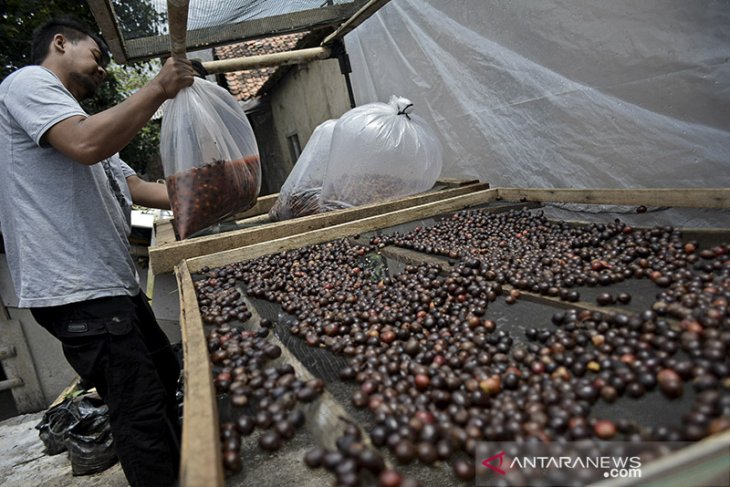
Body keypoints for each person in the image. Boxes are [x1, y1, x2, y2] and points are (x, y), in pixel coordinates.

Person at [0, 15, 195, 486]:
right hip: (79, 291)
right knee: (139, 409)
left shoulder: (80, 120)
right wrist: (158, 89)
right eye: (97, 56)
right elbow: (84, 144)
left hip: (111, 288)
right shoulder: (28, 84)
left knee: (162, 381)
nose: (103, 69)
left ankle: (187, 473)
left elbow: (139, 189)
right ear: (61, 44)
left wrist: (209, 189)